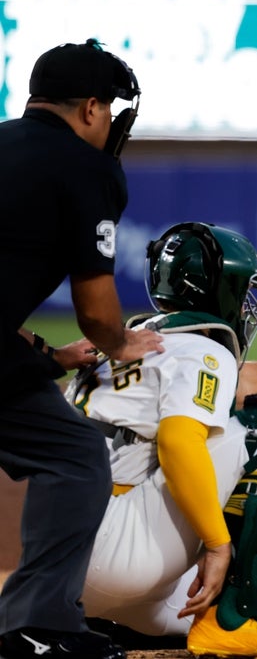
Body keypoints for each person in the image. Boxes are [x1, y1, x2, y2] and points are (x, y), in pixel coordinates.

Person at [67, 222, 257, 659]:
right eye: (244, 289)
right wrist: (218, 545)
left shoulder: (120, 345)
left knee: (186, 604)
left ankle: (113, 618)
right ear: (218, 289)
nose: (249, 303)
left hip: (63, 571)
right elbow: (179, 442)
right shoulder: (204, 350)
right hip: (121, 558)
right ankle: (233, 620)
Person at [0, 38, 165, 659]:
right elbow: (97, 312)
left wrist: (48, 358)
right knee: (73, 456)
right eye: (111, 109)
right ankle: (38, 626)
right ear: (91, 108)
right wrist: (119, 344)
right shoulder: (85, 168)